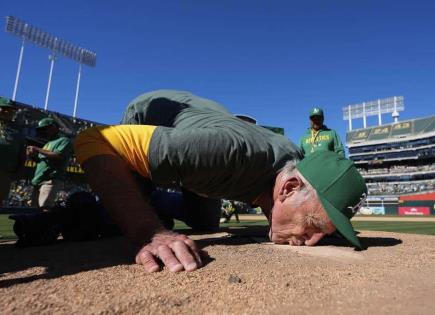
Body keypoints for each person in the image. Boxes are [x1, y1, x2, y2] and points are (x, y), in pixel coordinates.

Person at [74, 92, 367, 273]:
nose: (313, 240)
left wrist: (307, 221)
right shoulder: (226, 154)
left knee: (205, 222)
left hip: (209, 142)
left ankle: (160, 202)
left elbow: (284, 198)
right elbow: (92, 140)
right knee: (117, 219)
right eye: (314, 226)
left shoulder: (297, 166)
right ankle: (129, 204)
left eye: (322, 232)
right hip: (152, 114)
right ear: (288, 188)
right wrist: (148, 231)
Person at [27, 118, 73, 209]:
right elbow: (40, 161)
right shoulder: (48, 144)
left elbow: (58, 156)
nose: (44, 131)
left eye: (46, 128)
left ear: (54, 127)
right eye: (42, 129)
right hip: (39, 180)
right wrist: (32, 156)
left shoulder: (64, 140)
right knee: (33, 210)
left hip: (50, 179)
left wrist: (37, 149)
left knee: (44, 208)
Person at [0, 97, 25, 205]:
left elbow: (21, 152)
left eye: (10, 109)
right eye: (4, 108)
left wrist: (19, 170)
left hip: (5, 172)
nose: (7, 111)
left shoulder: (18, 130)